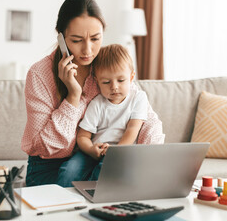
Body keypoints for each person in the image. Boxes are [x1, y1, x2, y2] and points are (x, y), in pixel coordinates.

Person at [21, 0, 164, 187]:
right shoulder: (39, 74)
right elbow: (46, 147)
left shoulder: (109, 66)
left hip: (101, 160)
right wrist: (73, 97)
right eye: (77, 40)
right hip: (48, 167)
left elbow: (147, 119)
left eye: (95, 39)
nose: (88, 50)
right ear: (61, 37)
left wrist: (147, 157)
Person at [66, 44, 160, 181]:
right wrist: (91, 150)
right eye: (106, 82)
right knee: (69, 170)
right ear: (97, 81)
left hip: (122, 151)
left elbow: (133, 129)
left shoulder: (138, 98)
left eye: (121, 80)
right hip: (95, 151)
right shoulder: (97, 103)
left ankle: (91, 198)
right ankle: (63, 200)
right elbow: (83, 137)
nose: (114, 87)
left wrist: (115, 152)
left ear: (131, 77)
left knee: (105, 169)